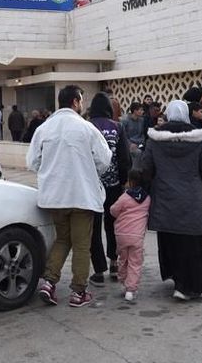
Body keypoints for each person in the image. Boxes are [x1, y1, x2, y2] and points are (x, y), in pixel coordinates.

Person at [28, 85, 112, 308]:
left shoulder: (44, 129)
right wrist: (86, 170)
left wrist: (52, 172)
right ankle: (78, 292)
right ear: (75, 102)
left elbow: (32, 162)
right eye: (81, 100)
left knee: (63, 239)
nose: (82, 104)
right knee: (82, 244)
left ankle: (48, 282)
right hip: (82, 195)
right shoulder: (86, 128)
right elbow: (104, 160)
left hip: (55, 196)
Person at [140, 100, 202, 300]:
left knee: (170, 240)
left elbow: (146, 168)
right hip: (191, 198)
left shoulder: (155, 139)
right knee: (191, 243)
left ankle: (176, 278)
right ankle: (188, 285)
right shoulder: (198, 139)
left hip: (165, 198)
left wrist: (146, 191)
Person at [87, 92, 131, 287]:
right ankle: (115, 264)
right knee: (113, 226)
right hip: (113, 186)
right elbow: (124, 159)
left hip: (91, 187)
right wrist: (122, 181)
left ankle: (98, 271)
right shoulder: (117, 127)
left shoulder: (86, 128)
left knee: (93, 228)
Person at [109, 168, 150, 303]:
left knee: (123, 260)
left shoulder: (125, 197)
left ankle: (123, 283)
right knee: (135, 262)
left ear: (130, 182)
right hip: (137, 236)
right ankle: (131, 290)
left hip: (121, 235)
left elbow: (113, 210)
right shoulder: (147, 198)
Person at [122, 102, 147, 166]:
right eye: (141, 110)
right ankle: (135, 172)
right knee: (137, 153)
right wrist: (130, 144)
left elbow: (142, 134)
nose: (143, 111)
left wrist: (142, 142)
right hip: (129, 144)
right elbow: (123, 136)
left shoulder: (142, 120)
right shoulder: (125, 120)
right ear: (135, 111)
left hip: (139, 143)